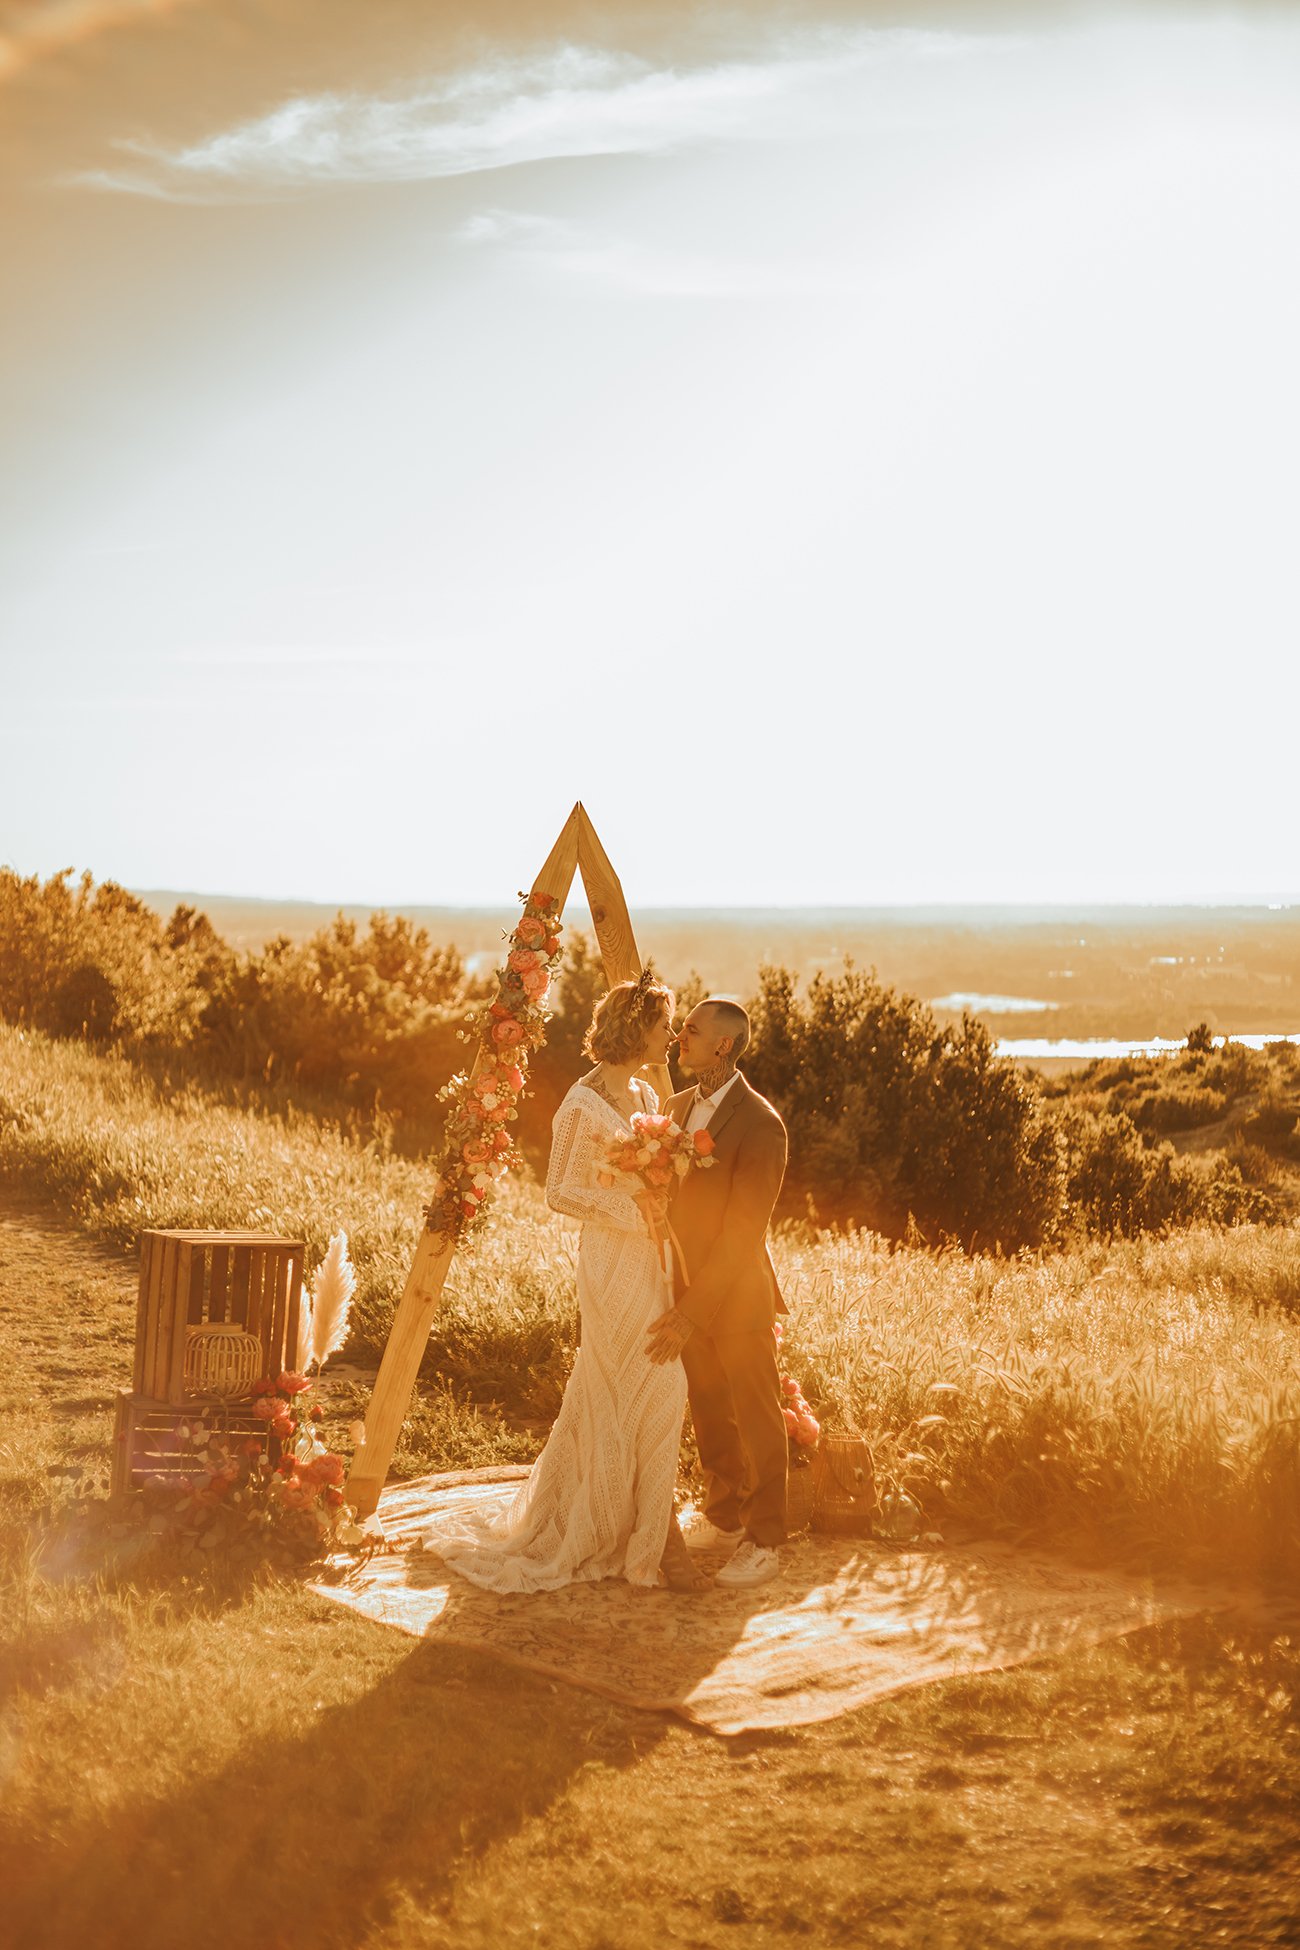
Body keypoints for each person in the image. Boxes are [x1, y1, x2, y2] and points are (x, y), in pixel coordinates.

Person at [423, 972, 708, 1593]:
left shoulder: (646, 1093)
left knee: (654, 1390)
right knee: (648, 1382)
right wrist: (633, 1210)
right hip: (610, 1261)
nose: (671, 1035)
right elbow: (559, 1191)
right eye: (665, 1025)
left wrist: (663, 1193)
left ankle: (645, 1532)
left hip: (651, 1260)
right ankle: (653, 1541)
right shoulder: (581, 1104)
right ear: (637, 1028)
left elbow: (654, 1175)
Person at [646, 998, 789, 1589]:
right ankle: (725, 1518)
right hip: (681, 1286)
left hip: (737, 1295)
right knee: (709, 1409)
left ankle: (766, 1540)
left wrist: (692, 1311)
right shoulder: (674, 1108)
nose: (680, 1037)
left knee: (757, 1417)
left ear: (723, 1045)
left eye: (692, 1030)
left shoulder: (761, 1124)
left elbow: (742, 1232)